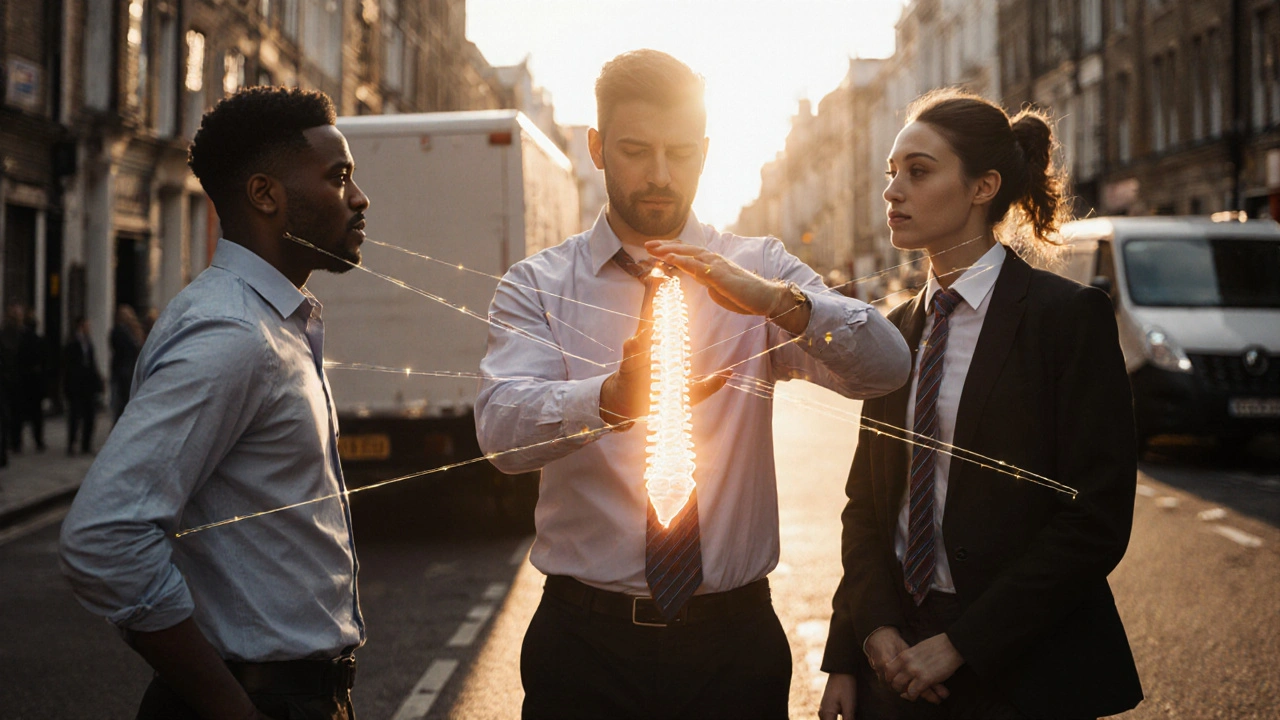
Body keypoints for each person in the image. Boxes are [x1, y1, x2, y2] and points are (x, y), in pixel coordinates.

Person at [475, 49, 911, 720]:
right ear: (597, 148)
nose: (659, 174)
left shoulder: (759, 269)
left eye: (680, 152)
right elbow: (501, 433)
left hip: (733, 648)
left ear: (705, 152)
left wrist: (779, 303)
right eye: (635, 151)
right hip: (584, 647)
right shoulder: (536, 285)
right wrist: (610, 399)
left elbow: (887, 367)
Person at [818, 88, 1142, 720]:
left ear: (982, 186)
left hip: (1024, 664)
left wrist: (963, 644)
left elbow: (1095, 517)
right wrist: (859, 643)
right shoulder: (892, 333)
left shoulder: (1065, 318)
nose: (892, 191)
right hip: (896, 662)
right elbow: (868, 507)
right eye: (891, 172)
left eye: (918, 171)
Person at [60, 85, 370, 720]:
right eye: (338, 178)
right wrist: (230, 706)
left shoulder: (271, 322)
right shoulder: (232, 333)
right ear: (265, 195)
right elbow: (104, 536)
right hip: (258, 697)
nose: (359, 198)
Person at [62, 316, 103, 455]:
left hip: (88, 384)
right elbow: (68, 365)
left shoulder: (88, 342)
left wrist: (97, 380)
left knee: (90, 415)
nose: (89, 328)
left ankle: (86, 444)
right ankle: (72, 443)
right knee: (74, 416)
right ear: (81, 326)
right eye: (87, 325)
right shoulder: (72, 343)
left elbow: (92, 363)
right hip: (76, 385)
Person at [108, 303, 144, 421]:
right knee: (121, 403)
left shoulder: (130, 332)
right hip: (123, 372)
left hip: (128, 370)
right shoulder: (120, 331)